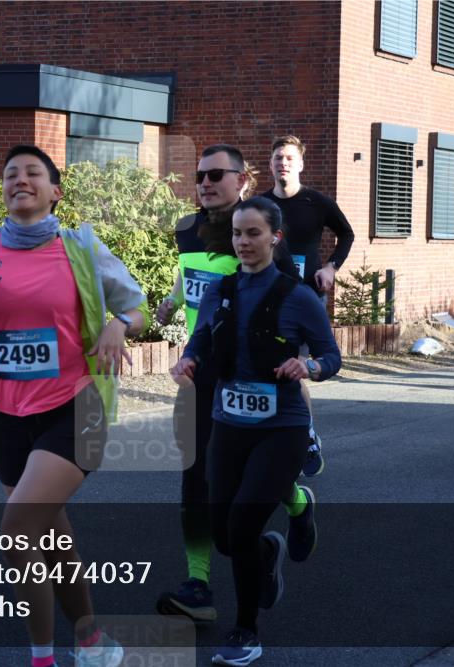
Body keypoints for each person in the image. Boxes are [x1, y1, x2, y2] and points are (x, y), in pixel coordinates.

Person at [0, 144, 147, 667]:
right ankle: (93, 640)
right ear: (2, 191)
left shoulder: (81, 248)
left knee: (16, 529)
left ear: (55, 192)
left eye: (34, 173)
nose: (20, 180)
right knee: (51, 539)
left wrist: (119, 327)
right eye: (10, 174)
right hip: (7, 415)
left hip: (75, 407)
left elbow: (137, 307)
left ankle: (42, 658)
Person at [171, 196, 340, 665]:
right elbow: (201, 338)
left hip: (280, 429)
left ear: (275, 238)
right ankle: (267, 552)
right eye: (238, 234)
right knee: (226, 536)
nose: (243, 242)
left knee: (241, 526)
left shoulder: (298, 296)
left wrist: (308, 366)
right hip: (228, 425)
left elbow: (332, 356)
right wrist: (189, 358)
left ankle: (246, 630)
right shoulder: (220, 290)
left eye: (254, 234)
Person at [154, 144, 302, 624]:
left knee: (246, 478)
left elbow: (291, 306)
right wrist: (173, 302)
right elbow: (190, 276)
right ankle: (198, 584)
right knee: (196, 479)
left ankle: (295, 506)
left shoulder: (257, 231)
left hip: (251, 377)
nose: (205, 183)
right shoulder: (186, 229)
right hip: (201, 372)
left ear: (242, 181)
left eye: (217, 175)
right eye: (200, 176)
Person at [261, 135, 354, 476]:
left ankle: (307, 433)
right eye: (277, 158)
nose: (282, 163)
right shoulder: (261, 204)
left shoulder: (317, 202)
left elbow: (347, 234)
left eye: (288, 158)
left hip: (307, 294)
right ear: (270, 165)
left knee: (296, 362)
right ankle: (278, 432)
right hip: (269, 295)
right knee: (269, 365)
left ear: (300, 163)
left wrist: (331, 266)